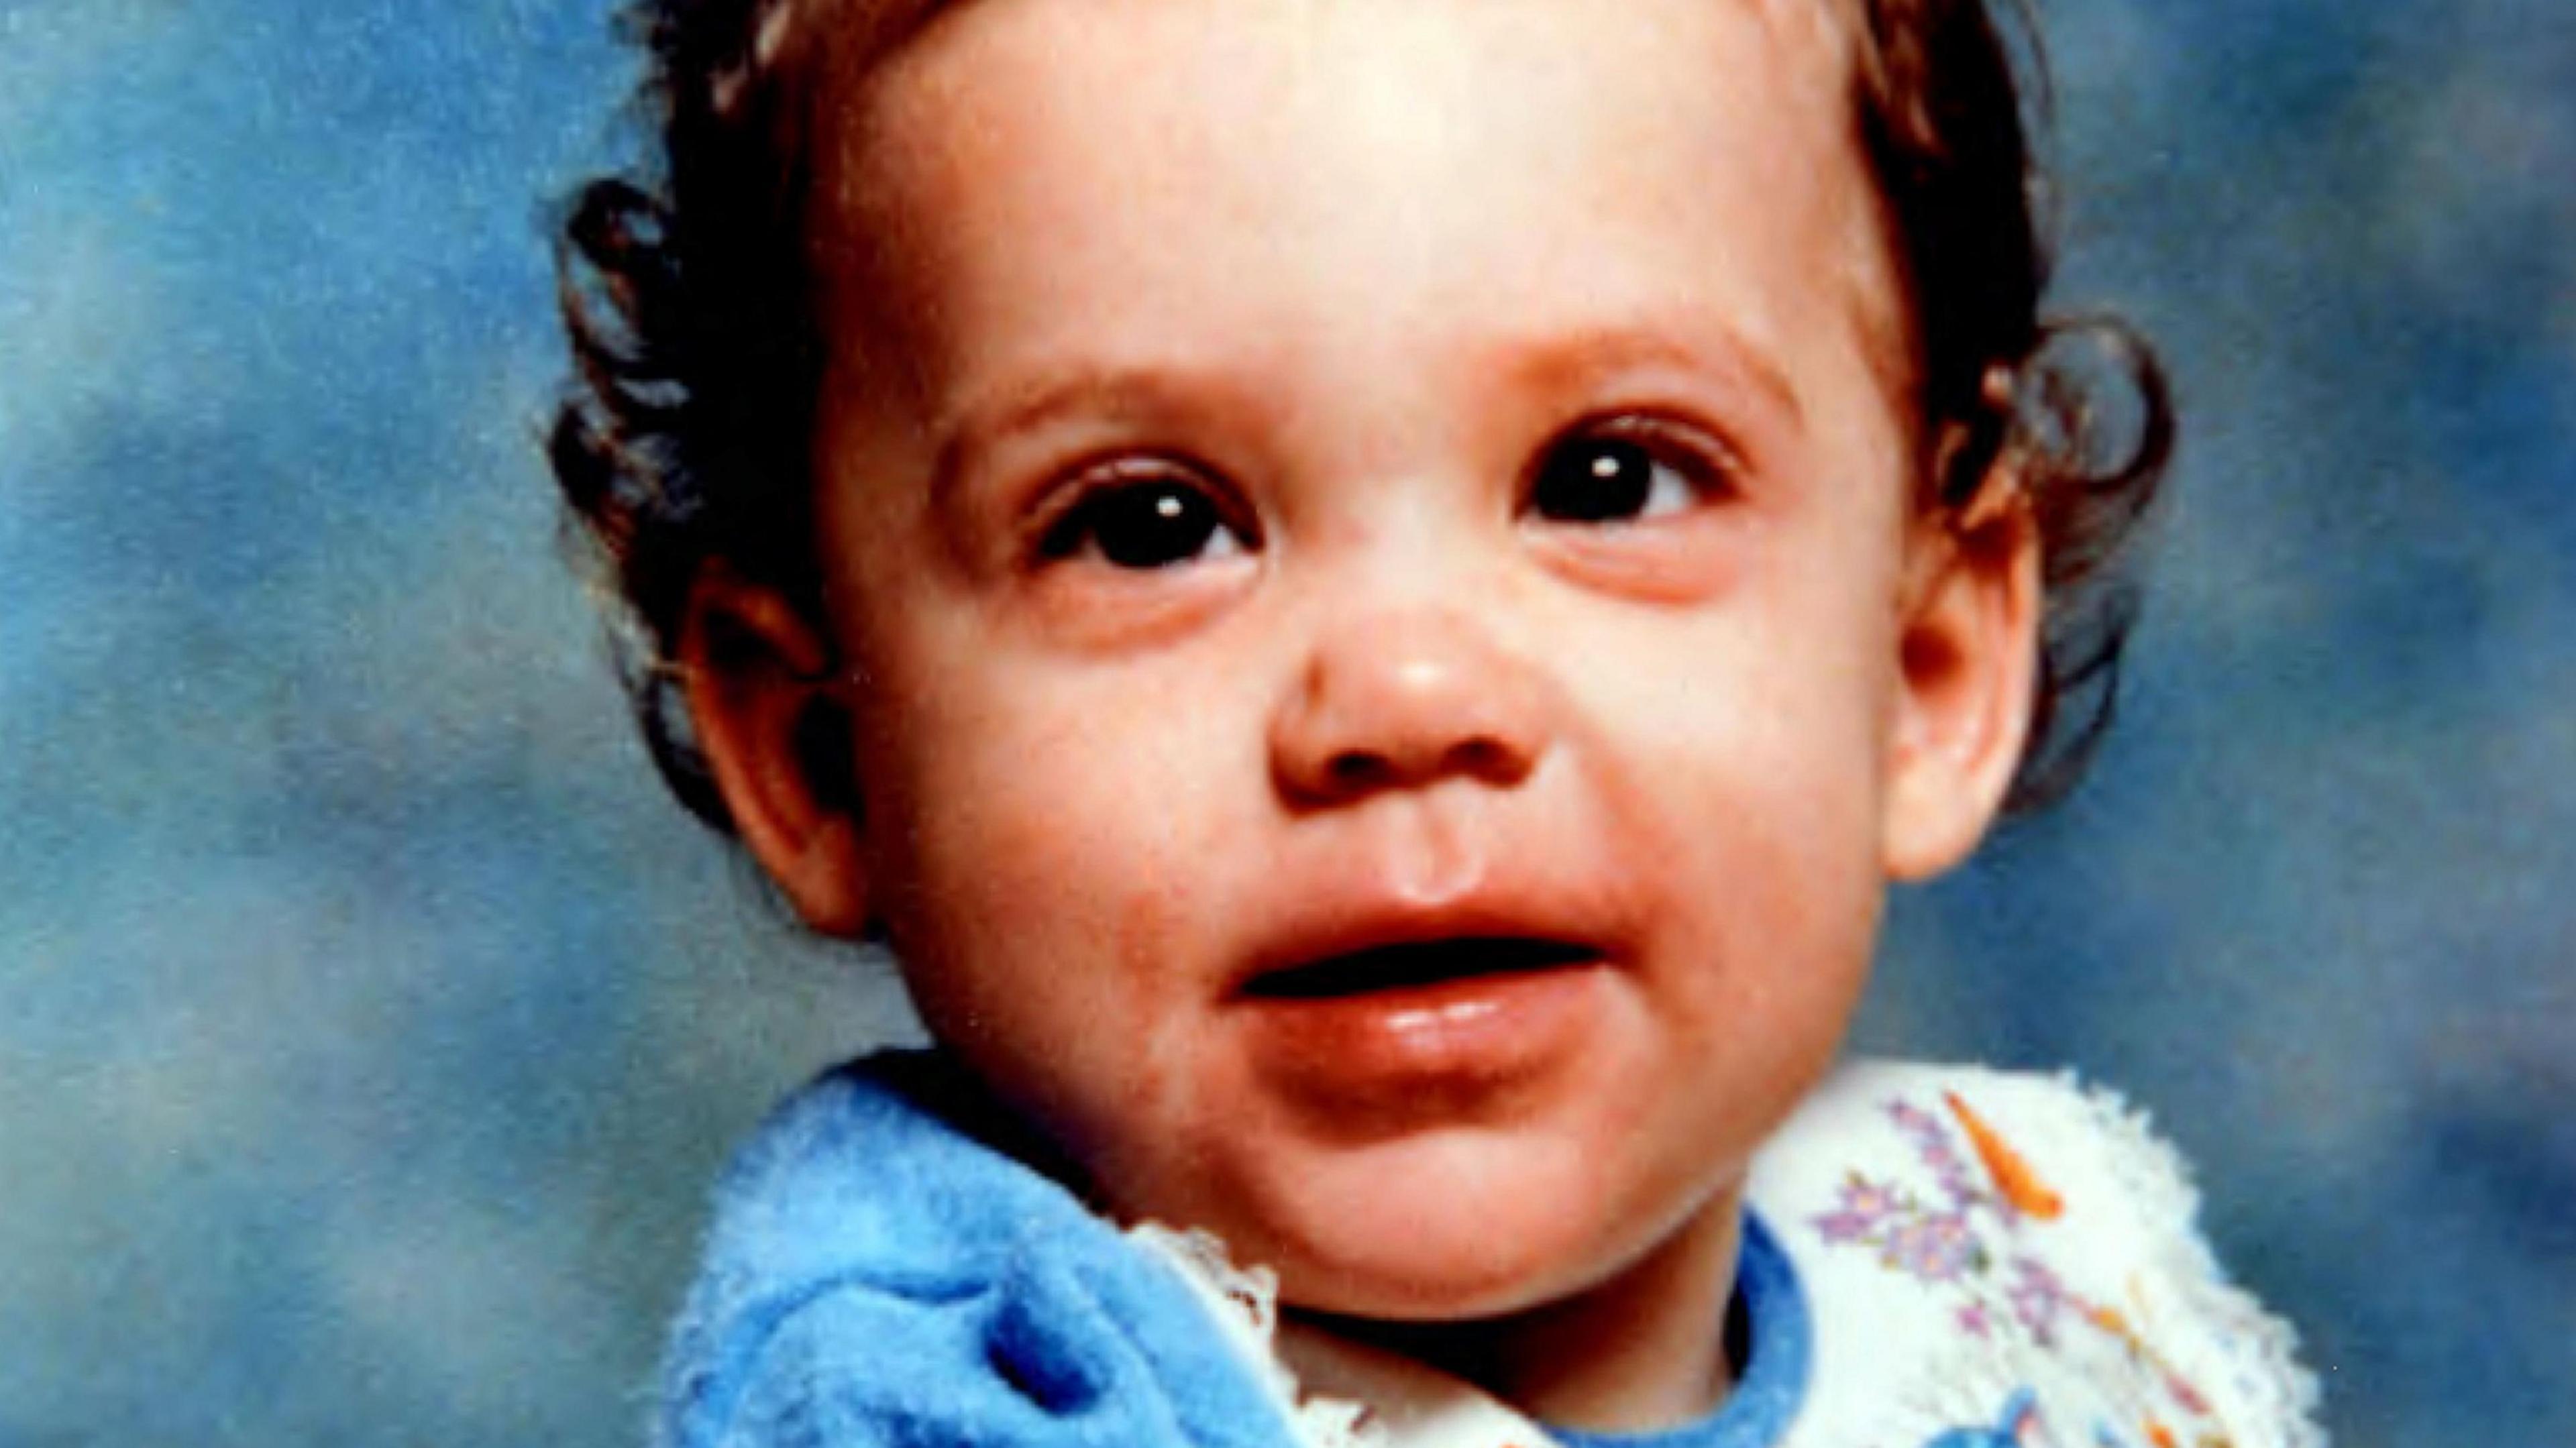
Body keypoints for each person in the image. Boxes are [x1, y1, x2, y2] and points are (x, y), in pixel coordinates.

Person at [550, 0, 2322, 1443]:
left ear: (1924, 671)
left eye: (1608, 481)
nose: (1407, 700)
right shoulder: (971, 1389)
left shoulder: (1987, 1263)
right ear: (822, 753)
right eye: (1151, 525)